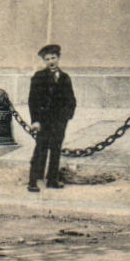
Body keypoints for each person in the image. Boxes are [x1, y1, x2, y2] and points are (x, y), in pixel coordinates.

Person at [26, 43, 76, 192]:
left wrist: (67, 116)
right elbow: (33, 100)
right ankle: (33, 181)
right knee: (40, 149)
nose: (51, 62)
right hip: (44, 121)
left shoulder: (65, 77)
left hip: (59, 121)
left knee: (56, 149)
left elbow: (71, 99)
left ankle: (52, 180)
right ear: (44, 61)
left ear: (58, 58)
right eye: (47, 59)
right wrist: (35, 120)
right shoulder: (39, 77)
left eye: (53, 58)